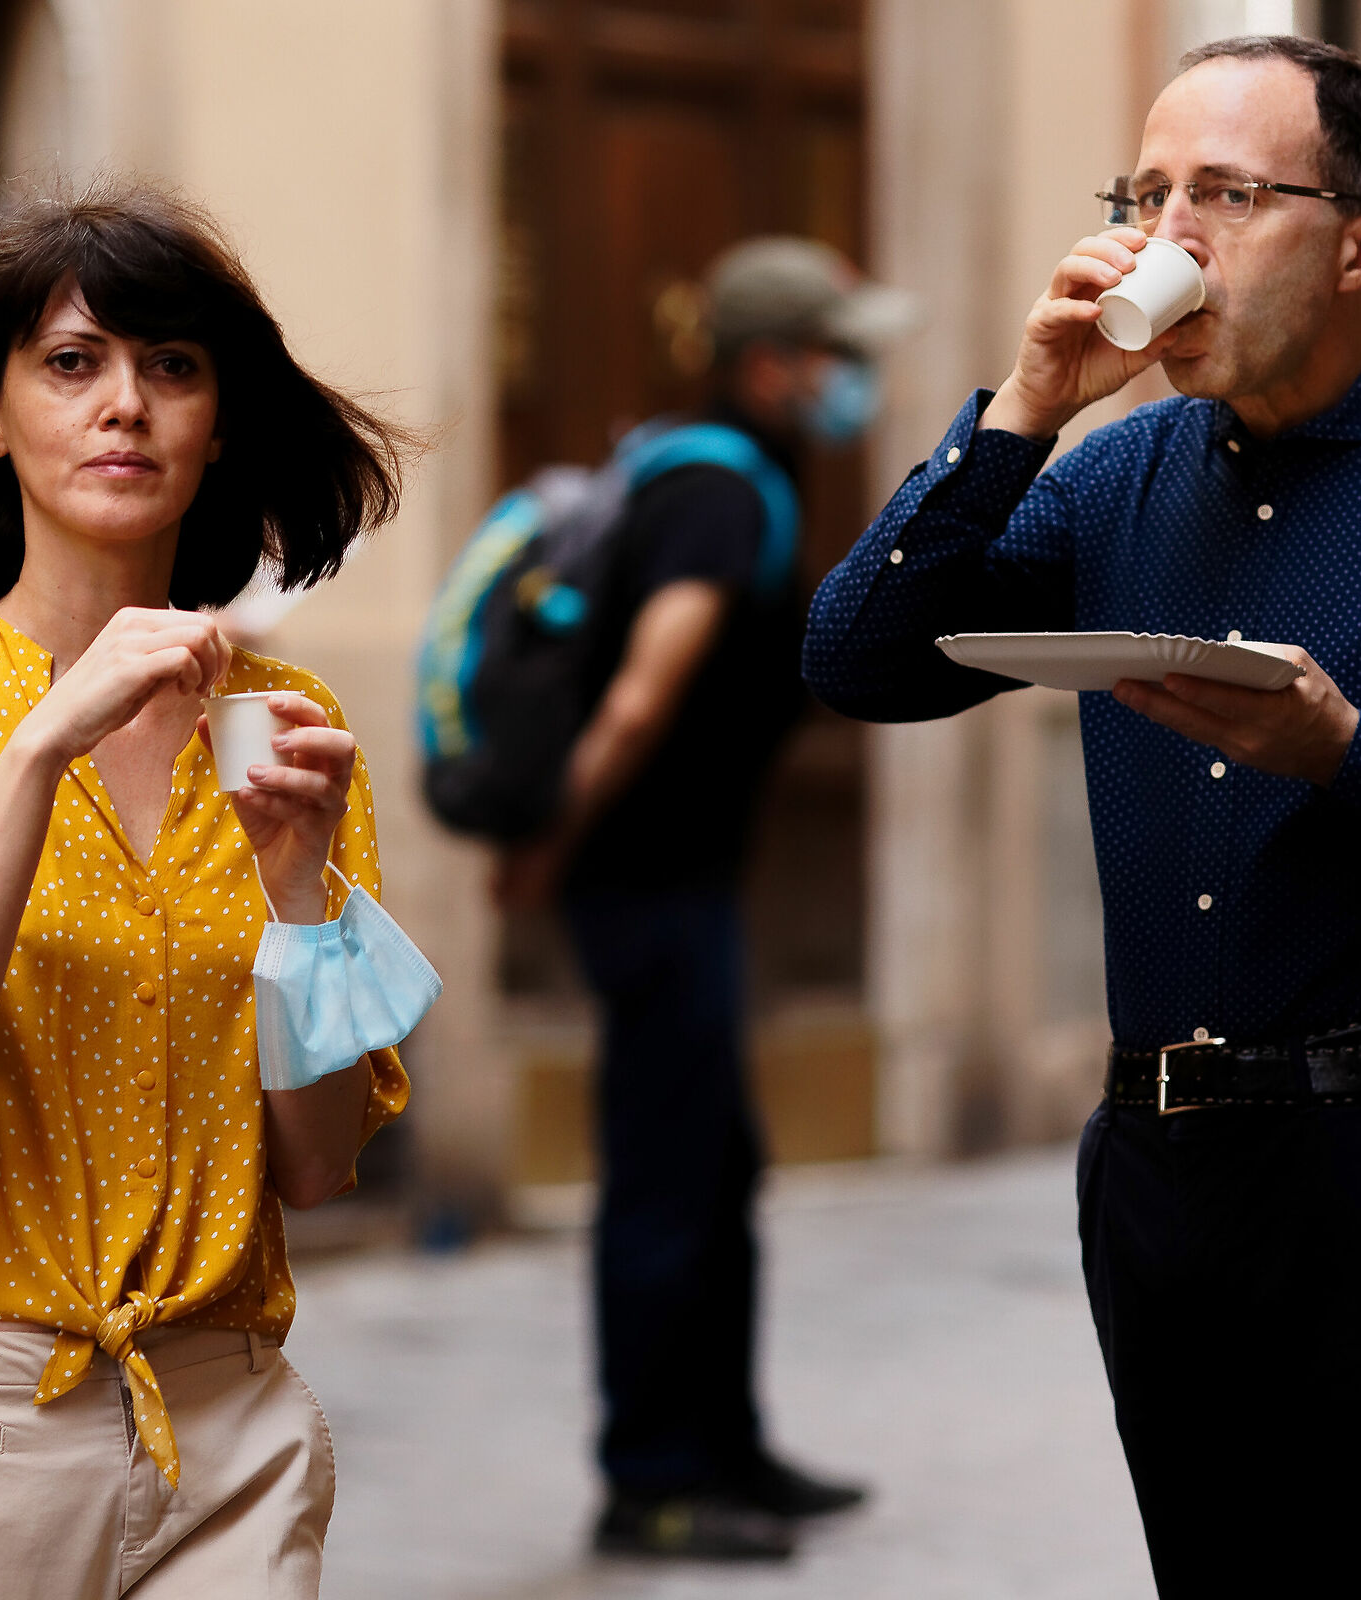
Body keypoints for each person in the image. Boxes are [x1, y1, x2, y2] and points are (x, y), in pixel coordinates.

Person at [803, 36, 1361, 1598]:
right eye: (1145, 194)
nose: (1168, 236)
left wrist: (1349, 751)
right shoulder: (1112, 476)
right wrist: (1022, 408)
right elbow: (860, 659)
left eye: (1223, 192)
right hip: (1163, 1173)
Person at [0, 180, 416, 1598]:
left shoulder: (287, 723)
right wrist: (42, 744)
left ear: (218, 418)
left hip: (226, 1431)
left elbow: (316, 1162)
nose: (126, 403)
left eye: (172, 367)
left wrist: (300, 891)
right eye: (74, 363)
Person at [491, 238, 908, 1561]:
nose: (856, 380)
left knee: (718, 1165)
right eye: (839, 354)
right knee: (669, 1178)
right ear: (775, 364)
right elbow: (641, 690)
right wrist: (551, 843)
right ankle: (651, 1478)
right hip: (651, 884)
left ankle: (727, 1446)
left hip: (682, 882)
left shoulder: (717, 471)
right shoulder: (722, 495)